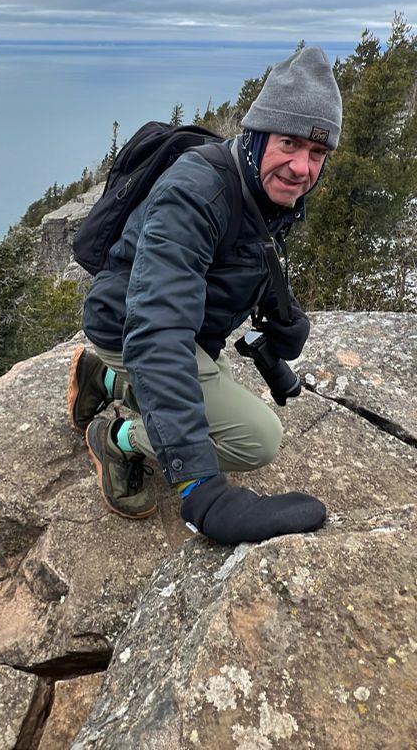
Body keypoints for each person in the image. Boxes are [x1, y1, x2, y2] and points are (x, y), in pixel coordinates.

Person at [67, 46, 343, 546]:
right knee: (255, 438)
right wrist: (199, 486)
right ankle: (116, 440)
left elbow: (246, 248)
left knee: (215, 407)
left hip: (181, 329)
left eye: (317, 153)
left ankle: (104, 379)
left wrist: (283, 310)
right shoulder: (195, 192)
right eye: (290, 144)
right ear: (258, 136)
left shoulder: (257, 181)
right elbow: (157, 329)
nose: (302, 167)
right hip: (128, 324)